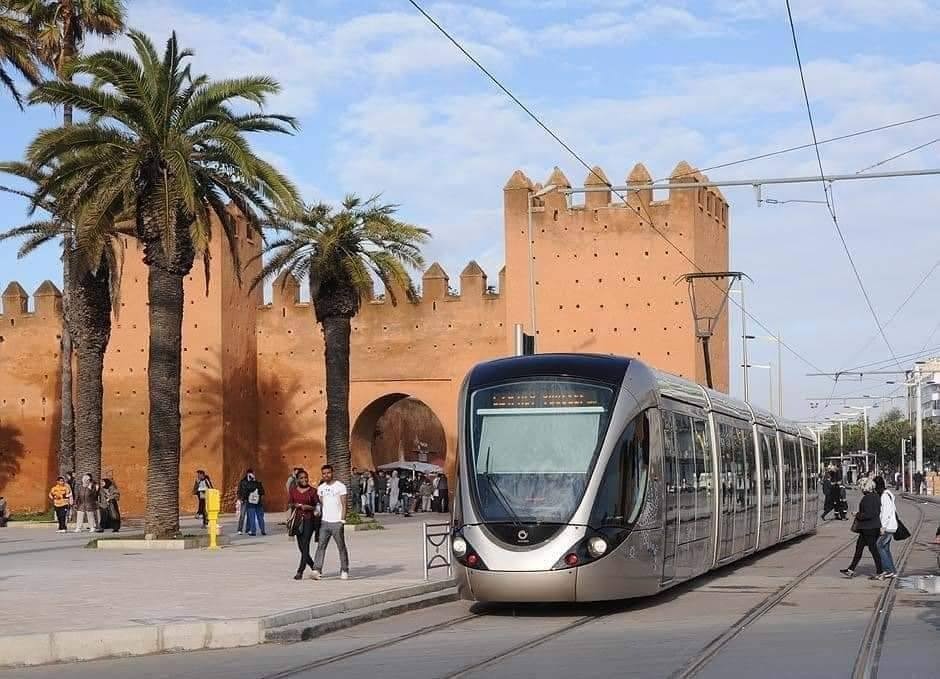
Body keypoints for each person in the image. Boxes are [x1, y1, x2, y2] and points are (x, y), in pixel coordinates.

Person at [311, 464, 349, 580]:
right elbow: (321, 504)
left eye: (328, 473)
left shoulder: (340, 486)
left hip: (337, 521)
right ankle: (317, 569)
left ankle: (344, 569)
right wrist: (317, 513)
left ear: (332, 473)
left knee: (341, 546)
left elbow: (344, 504)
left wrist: (342, 520)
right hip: (325, 522)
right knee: (321, 546)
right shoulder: (321, 488)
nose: (326, 475)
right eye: (324, 473)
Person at [840, 478, 884, 579]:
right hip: (872, 527)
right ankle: (851, 569)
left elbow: (868, 514)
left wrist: (857, 514)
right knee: (859, 548)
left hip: (868, 528)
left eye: (862, 487)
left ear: (865, 488)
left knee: (873, 550)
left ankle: (880, 572)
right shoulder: (877, 496)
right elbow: (876, 512)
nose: (861, 489)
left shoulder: (867, 498)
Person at [288, 469, 320, 580]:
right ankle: (314, 566)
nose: (304, 479)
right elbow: (290, 503)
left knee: (305, 544)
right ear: (297, 479)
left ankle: (300, 571)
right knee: (301, 547)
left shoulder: (313, 491)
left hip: (309, 520)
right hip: (297, 520)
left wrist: (309, 507)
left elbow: (317, 506)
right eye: (301, 478)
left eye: (306, 477)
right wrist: (295, 505)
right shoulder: (293, 490)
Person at [874, 476, 897, 579]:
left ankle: (888, 570)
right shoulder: (889, 494)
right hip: (891, 525)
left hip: (888, 526)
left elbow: (886, 513)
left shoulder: (884, 496)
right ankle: (892, 570)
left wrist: (882, 527)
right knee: (885, 548)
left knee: (879, 546)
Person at [245, 472, 266, 536]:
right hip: (258, 503)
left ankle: (253, 531)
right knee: (260, 517)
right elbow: (263, 492)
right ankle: (263, 530)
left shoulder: (248, 484)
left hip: (250, 504)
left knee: (252, 518)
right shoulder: (259, 484)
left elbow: (245, 494)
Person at [237, 469, 254, 535]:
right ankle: (240, 529)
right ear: (247, 474)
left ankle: (248, 529)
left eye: (251, 473)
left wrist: (253, 480)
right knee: (242, 515)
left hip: (251, 501)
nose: (250, 475)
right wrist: (240, 498)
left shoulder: (253, 481)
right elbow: (239, 490)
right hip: (244, 500)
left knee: (250, 516)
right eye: (249, 473)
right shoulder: (243, 481)